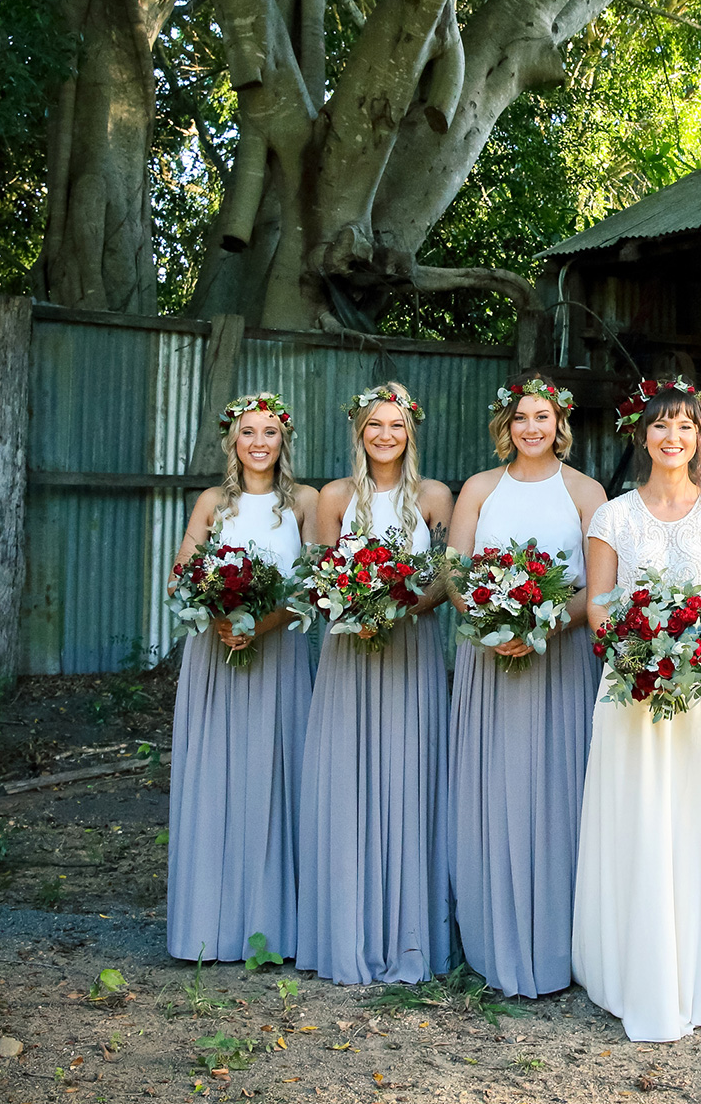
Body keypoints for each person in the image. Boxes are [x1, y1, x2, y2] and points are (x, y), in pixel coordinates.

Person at [572, 379, 701, 1041]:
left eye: (684, 426)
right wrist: (636, 652)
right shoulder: (612, 516)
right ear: (642, 434)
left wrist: (685, 657)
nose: (672, 437)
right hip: (629, 687)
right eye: (660, 426)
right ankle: (632, 967)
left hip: (697, 688)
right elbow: (599, 603)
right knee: (635, 813)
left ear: (699, 437)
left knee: (699, 813)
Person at [448, 372, 606, 998]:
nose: (532, 428)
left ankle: (560, 943)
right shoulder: (479, 489)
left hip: (561, 659)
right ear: (505, 425)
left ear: (560, 423)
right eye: (521, 418)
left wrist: (544, 625)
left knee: (557, 788)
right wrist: (491, 622)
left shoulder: (587, 491)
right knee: (494, 787)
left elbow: (599, 583)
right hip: (489, 662)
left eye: (543, 417)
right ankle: (492, 938)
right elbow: (457, 572)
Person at [296, 382, 456, 985]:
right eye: (374, 425)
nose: (385, 435)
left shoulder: (435, 496)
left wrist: (404, 609)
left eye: (396, 425)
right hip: (349, 653)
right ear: (358, 431)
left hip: (410, 649)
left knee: (408, 776)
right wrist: (353, 609)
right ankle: (346, 930)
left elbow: (448, 578)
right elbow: (314, 575)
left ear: (410, 432)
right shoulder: (334, 497)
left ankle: (411, 933)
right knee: (349, 779)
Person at [167, 392, 318, 963]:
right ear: (233, 440)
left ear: (284, 440)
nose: (259, 442)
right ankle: (208, 924)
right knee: (216, 779)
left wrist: (263, 621)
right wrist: (219, 614)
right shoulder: (211, 502)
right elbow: (181, 576)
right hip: (215, 655)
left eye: (270, 432)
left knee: (275, 779)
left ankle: (272, 928)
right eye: (248, 432)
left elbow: (311, 587)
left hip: (276, 654)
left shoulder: (304, 502)